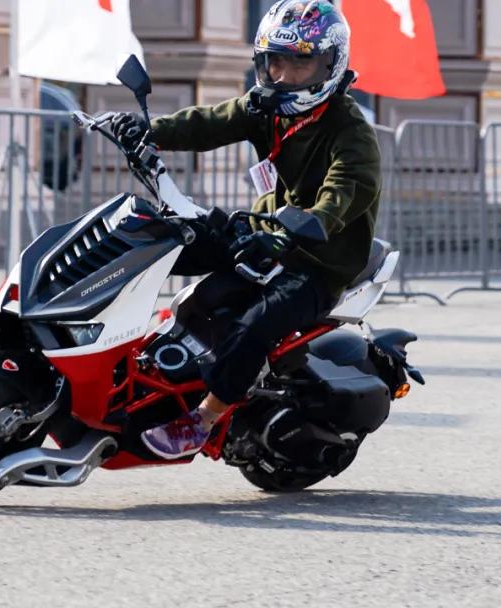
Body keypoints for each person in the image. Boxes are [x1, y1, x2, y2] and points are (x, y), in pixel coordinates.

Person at [111, 0, 381, 459]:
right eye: (275, 61)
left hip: (318, 259)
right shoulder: (267, 106)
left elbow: (342, 192)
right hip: (264, 232)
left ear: (329, 64)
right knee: (162, 242)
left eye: (299, 63)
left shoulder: (351, 131)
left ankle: (203, 419)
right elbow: (211, 123)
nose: (283, 74)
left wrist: (313, 222)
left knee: (254, 324)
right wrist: (148, 131)